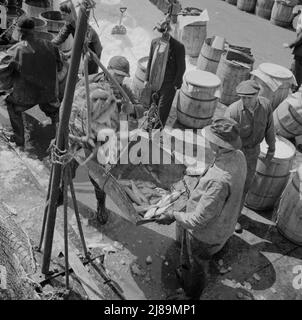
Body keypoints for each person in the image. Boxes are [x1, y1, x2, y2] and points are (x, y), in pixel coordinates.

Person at [156, 118, 247, 300]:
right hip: (226, 221)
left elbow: (198, 220)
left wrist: (173, 215)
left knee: (198, 264)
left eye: (211, 140)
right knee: (192, 261)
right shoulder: (239, 156)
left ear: (220, 145)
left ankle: (191, 295)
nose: (207, 141)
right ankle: (186, 275)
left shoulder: (218, 180)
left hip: (205, 234)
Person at [65, 56, 144, 224]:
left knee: (98, 177)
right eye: (117, 75)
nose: (120, 79)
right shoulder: (89, 81)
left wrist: (132, 109)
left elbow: (140, 108)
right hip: (79, 134)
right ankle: (59, 192)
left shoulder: (123, 90)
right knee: (68, 167)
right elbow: (72, 103)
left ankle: (101, 204)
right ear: (107, 69)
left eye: (123, 76)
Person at [225, 80, 276, 232]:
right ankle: (221, 215)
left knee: (244, 187)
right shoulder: (233, 111)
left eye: (249, 97)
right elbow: (223, 138)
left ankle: (233, 218)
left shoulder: (266, 106)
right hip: (235, 154)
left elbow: (269, 128)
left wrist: (271, 150)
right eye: (242, 97)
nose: (245, 101)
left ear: (257, 94)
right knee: (229, 186)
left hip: (253, 153)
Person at [5, 16, 63, 150]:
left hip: (26, 97)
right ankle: (61, 141)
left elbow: (5, 73)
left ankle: (19, 141)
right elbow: (59, 67)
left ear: (19, 32)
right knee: (55, 112)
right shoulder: (50, 45)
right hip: (49, 94)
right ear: (34, 30)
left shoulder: (16, 50)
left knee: (11, 105)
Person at [145, 19, 186, 128]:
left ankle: (157, 132)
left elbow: (181, 67)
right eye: (161, 32)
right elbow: (150, 61)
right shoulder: (154, 42)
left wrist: (175, 85)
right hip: (154, 81)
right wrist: (146, 79)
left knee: (162, 110)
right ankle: (148, 127)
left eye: (166, 32)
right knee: (151, 106)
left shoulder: (178, 47)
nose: (164, 34)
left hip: (168, 84)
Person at [52, 1, 102, 75]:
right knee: (86, 70)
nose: (62, 17)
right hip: (83, 47)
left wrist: (69, 53)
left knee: (90, 73)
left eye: (64, 15)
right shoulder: (69, 25)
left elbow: (84, 41)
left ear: (71, 13)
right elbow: (60, 38)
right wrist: (50, 44)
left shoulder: (82, 24)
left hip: (93, 49)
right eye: (61, 15)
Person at [284, 14, 302, 91]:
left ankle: (294, 88)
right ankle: (287, 82)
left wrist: (289, 45)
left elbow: (300, 39)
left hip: (300, 54)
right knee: (294, 68)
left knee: (297, 71)